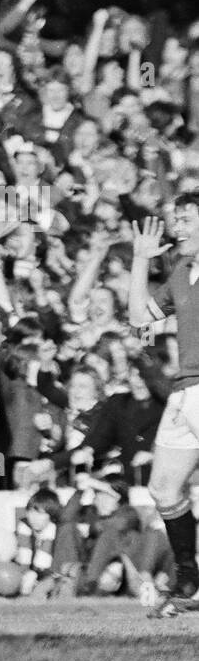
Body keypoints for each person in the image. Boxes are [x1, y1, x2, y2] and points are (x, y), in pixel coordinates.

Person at [128, 207, 199, 617]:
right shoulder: (180, 273)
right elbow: (138, 320)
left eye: (188, 219)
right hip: (185, 391)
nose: (178, 226)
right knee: (163, 488)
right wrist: (141, 260)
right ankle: (190, 579)